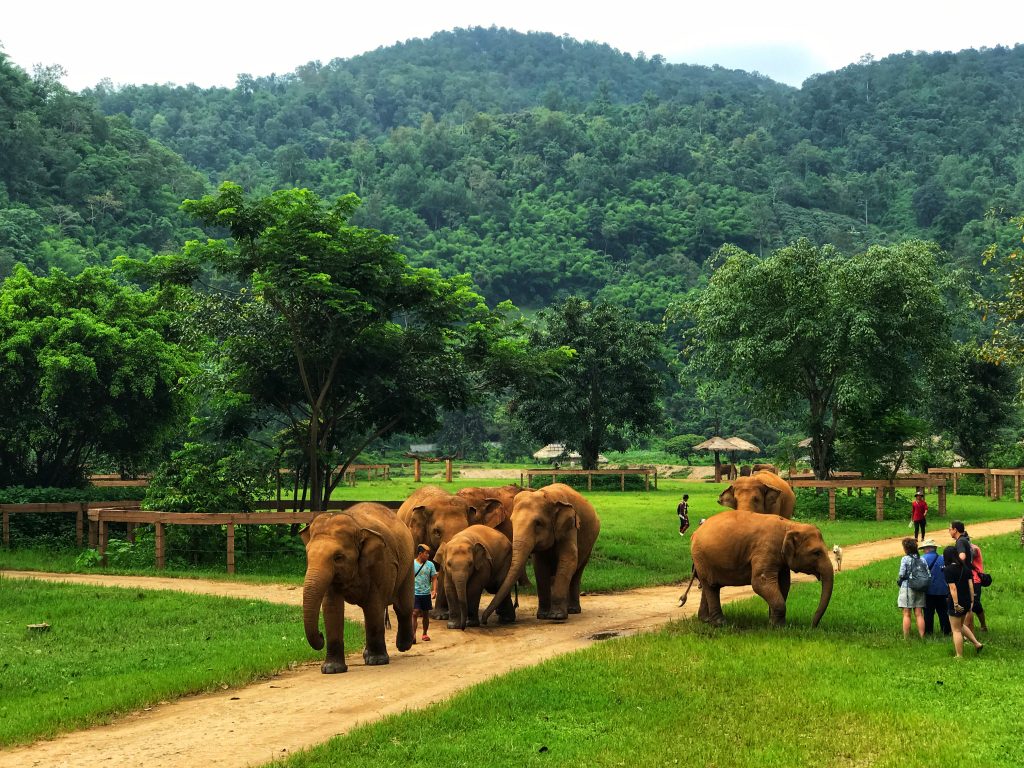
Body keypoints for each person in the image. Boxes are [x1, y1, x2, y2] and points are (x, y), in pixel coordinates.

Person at [942, 545, 983, 657]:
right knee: (960, 625)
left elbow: (953, 588)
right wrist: (972, 601)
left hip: (956, 602)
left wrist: (955, 603)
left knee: (956, 630)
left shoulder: (948, 570)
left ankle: (959, 655)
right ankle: (977, 643)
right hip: (966, 600)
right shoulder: (966, 568)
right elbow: (971, 586)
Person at [919, 539, 951, 637]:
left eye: (924, 548)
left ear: (927, 549)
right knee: (943, 613)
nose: (923, 550)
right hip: (943, 590)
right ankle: (946, 631)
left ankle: (928, 632)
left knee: (928, 613)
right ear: (935, 548)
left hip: (928, 591)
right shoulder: (943, 558)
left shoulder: (922, 559)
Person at [896, 538, 926, 639]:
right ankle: (922, 637)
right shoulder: (922, 559)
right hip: (920, 587)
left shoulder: (905, 559)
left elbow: (901, 574)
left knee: (907, 613)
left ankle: (906, 638)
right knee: (919, 613)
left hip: (908, 587)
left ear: (906, 548)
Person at [412, 544, 438, 642]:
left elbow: (434, 578)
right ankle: (413, 634)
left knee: (426, 614)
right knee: (414, 613)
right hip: (415, 593)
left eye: (428, 554)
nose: (428, 556)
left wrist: (434, 590)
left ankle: (424, 633)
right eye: (426, 554)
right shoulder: (412, 564)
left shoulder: (430, 565)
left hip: (426, 593)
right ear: (420, 554)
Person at [966, 542, 989, 633]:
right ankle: (967, 628)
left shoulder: (974, 548)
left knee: (975, 604)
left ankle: (983, 625)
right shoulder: (960, 547)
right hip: (965, 580)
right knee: (966, 605)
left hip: (975, 580)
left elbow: (973, 552)